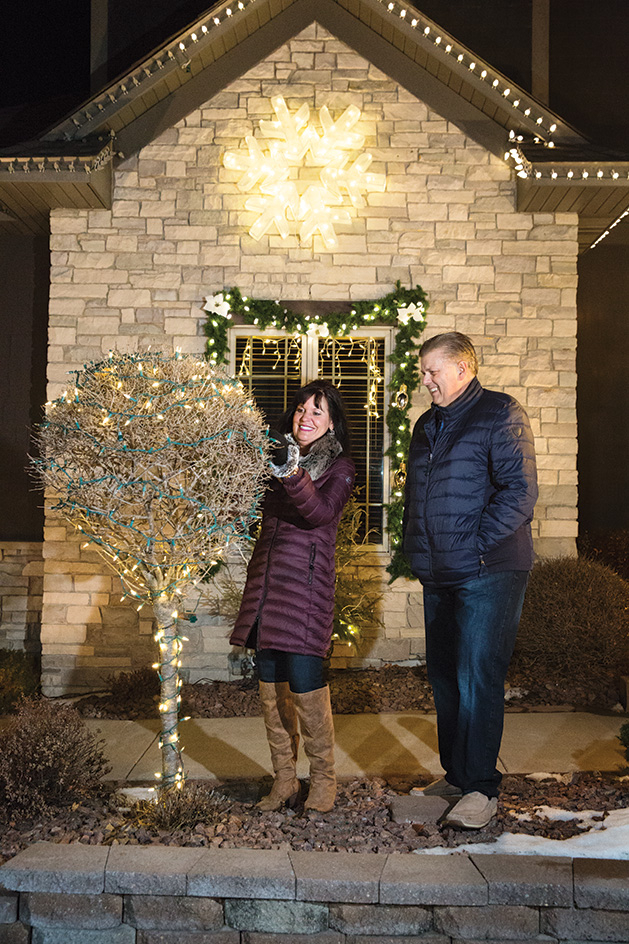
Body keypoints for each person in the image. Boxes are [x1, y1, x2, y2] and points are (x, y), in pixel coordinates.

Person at [403, 332, 538, 829]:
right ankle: (458, 776)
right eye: (423, 371)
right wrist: (413, 549)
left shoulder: (501, 413)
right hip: (439, 571)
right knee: (443, 676)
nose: (426, 380)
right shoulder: (426, 425)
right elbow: (417, 498)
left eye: (432, 371)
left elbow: (519, 493)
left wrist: (474, 545)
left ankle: (482, 789)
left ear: (463, 368)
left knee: (478, 675)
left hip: (490, 570)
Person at [230, 379, 355, 813]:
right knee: (271, 690)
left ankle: (323, 781)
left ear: (333, 424)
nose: (306, 417)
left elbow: (319, 512)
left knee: (306, 686)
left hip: (305, 594)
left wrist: (290, 472)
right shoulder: (275, 459)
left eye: (318, 411)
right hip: (267, 590)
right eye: (302, 409)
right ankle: (284, 779)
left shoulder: (340, 469)